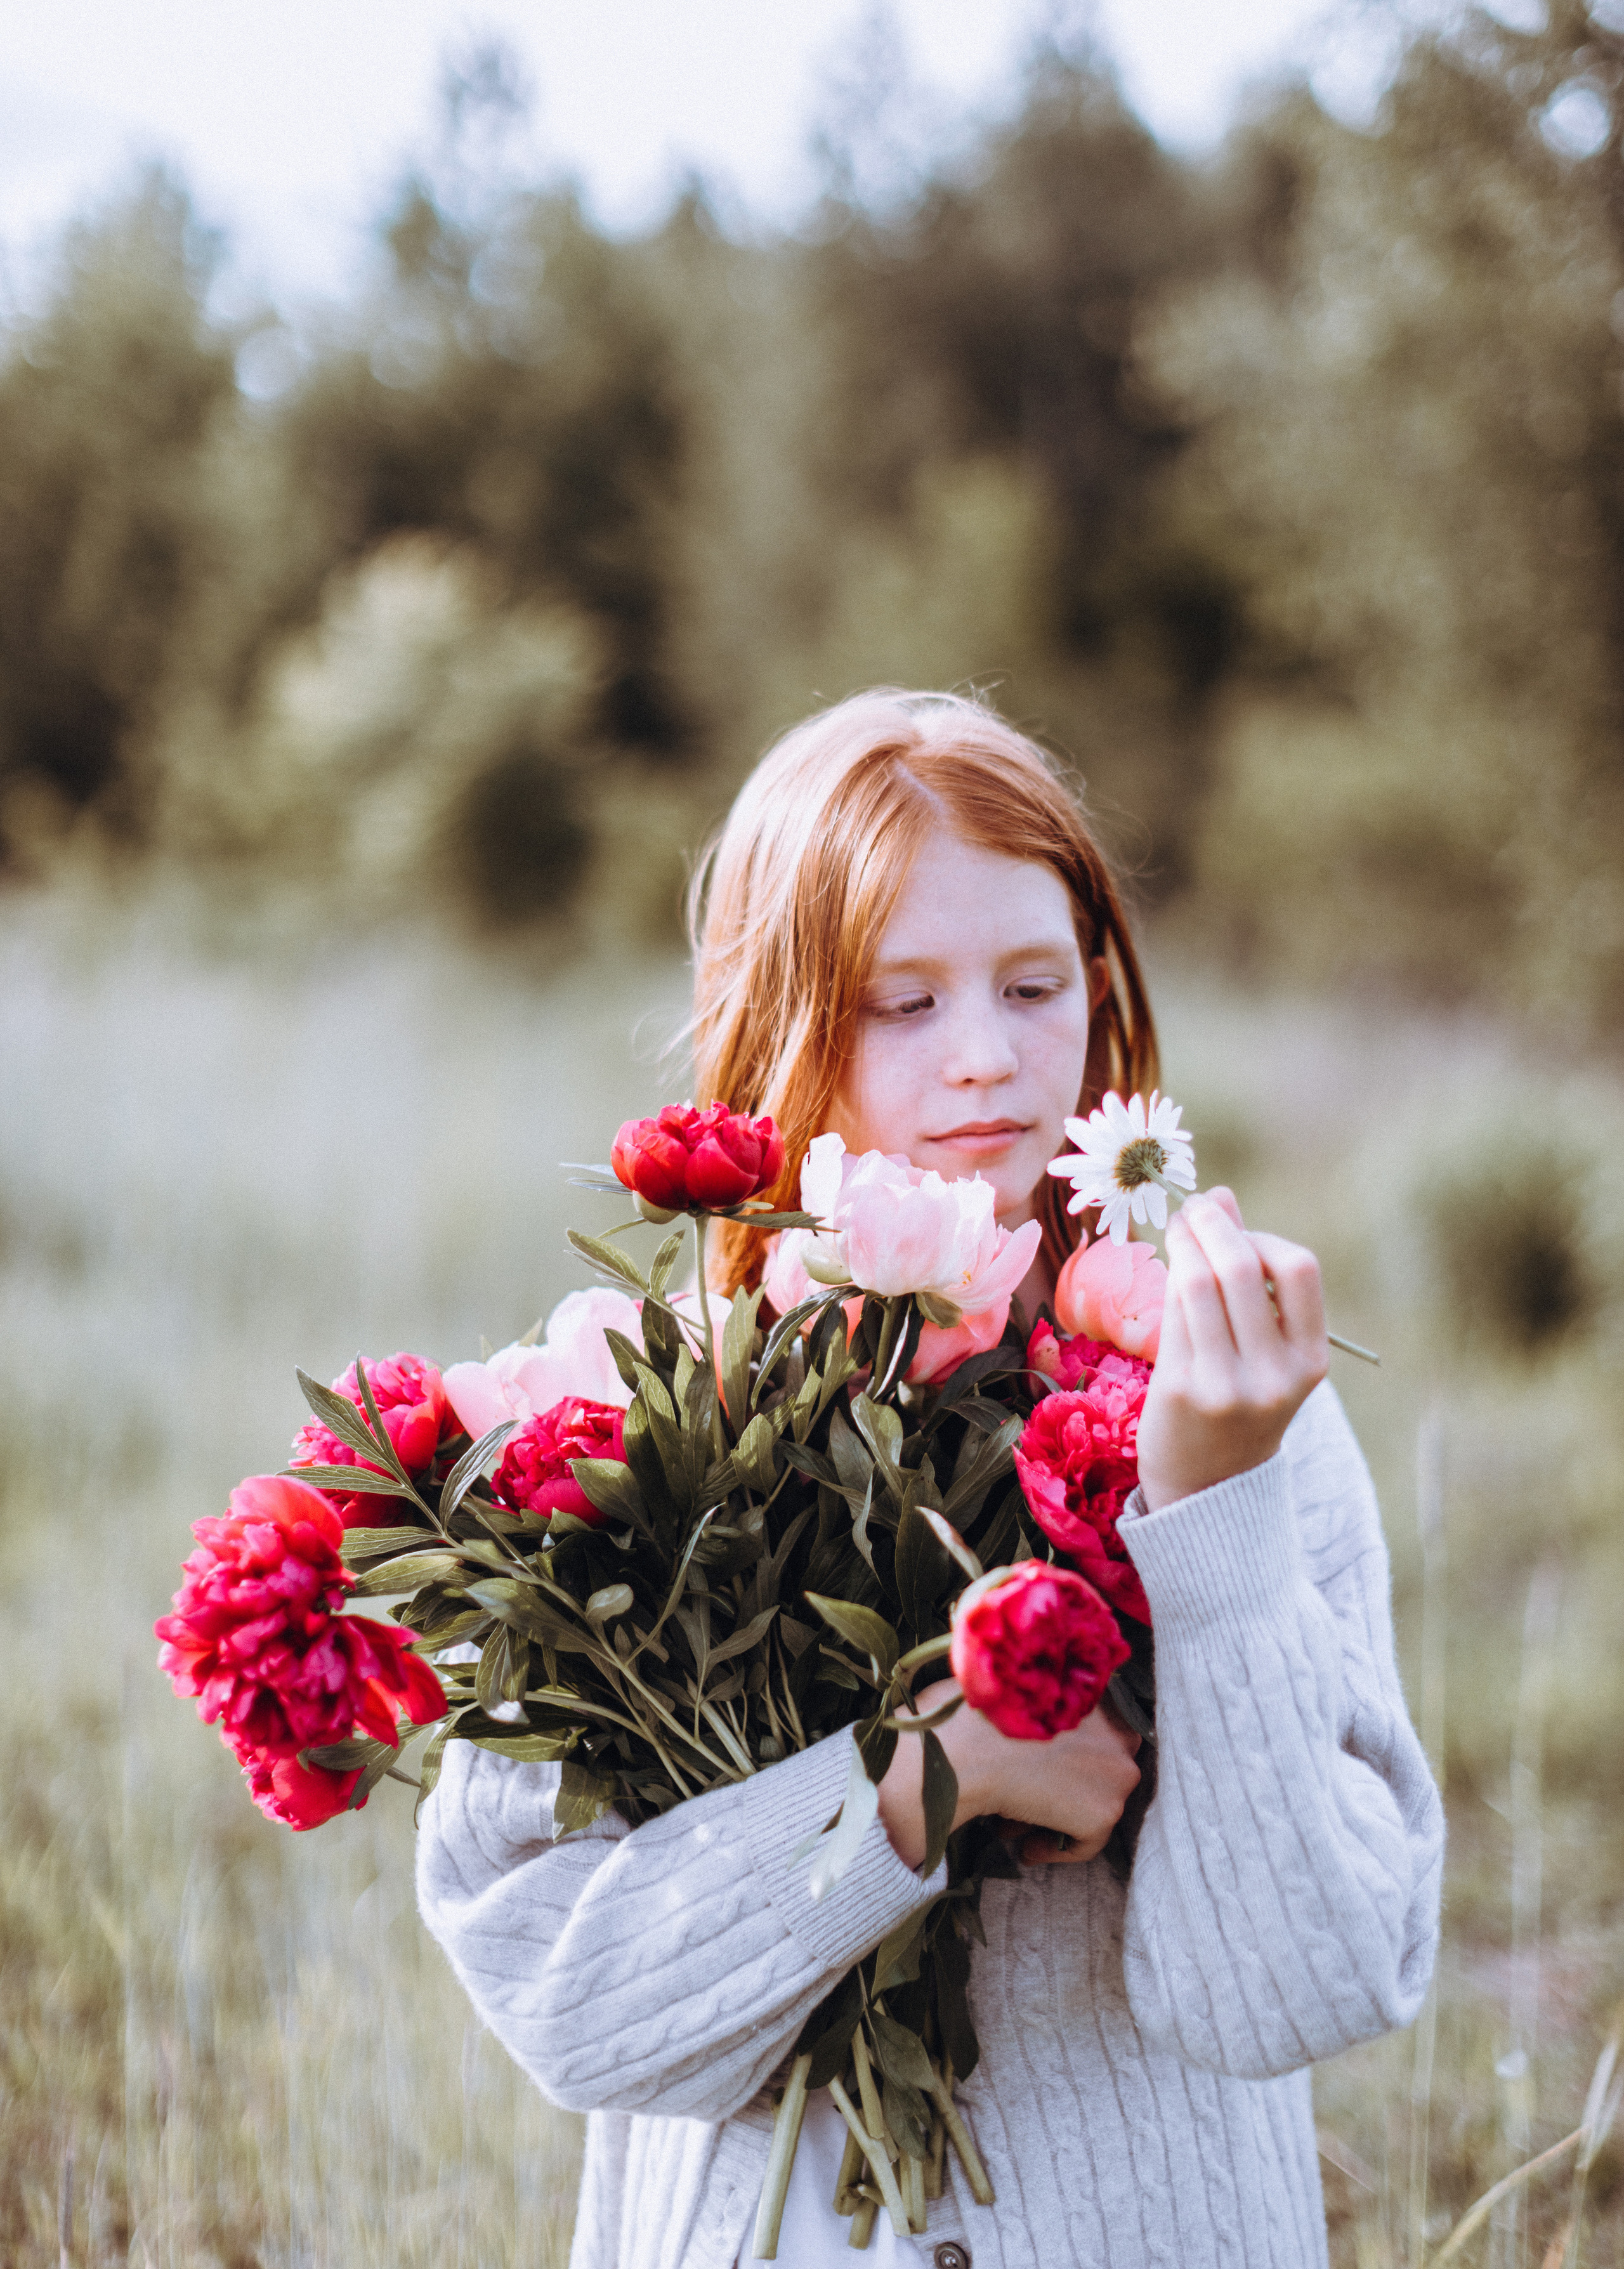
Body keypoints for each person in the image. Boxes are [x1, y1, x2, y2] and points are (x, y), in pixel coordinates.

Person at [417, 689, 1444, 2269]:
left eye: (1033, 985)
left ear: (1100, 999)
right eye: (901, 1005)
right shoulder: (615, 1416)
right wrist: (919, 1777)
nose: (985, 1060)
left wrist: (1209, 1519)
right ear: (774, 1020)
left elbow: (1289, 1998)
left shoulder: (1246, 1413)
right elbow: (577, 2008)